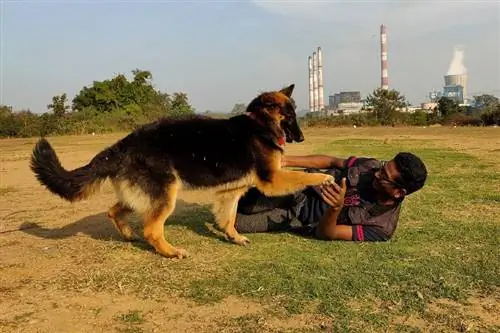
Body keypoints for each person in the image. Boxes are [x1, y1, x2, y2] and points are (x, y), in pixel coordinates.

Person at [235, 152, 428, 242]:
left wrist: (336, 208)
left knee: (237, 224)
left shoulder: (381, 228)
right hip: (301, 187)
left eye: (385, 177)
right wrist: (284, 160)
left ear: (398, 192)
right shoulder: (370, 165)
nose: (377, 174)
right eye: (383, 167)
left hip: (296, 218)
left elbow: (327, 234)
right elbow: (331, 161)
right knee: (244, 200)